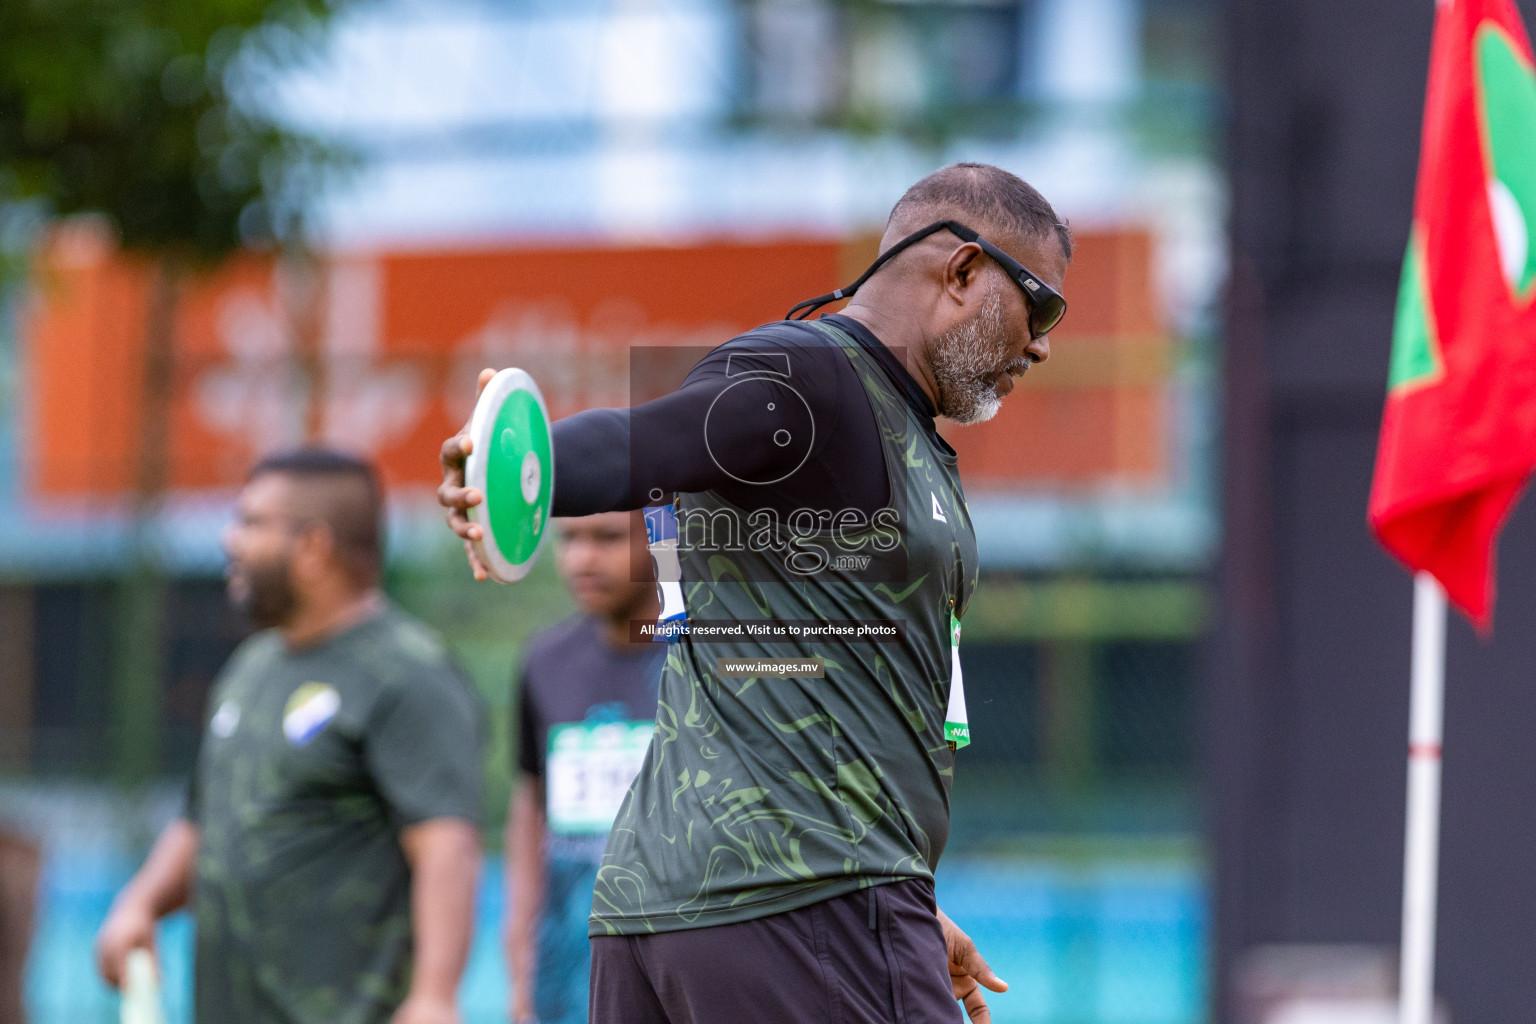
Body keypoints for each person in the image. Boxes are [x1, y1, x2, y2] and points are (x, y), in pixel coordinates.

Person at [439, 162, 1072, 1024]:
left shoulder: (897, 425)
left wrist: (903, 901)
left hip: (713, 910)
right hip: (799, 902)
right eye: (1039, 307)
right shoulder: (806, 377)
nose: (1039, 344)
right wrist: (522, 466)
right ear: (962, 271)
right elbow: (648, 444)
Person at [96, 450, 485, 1024]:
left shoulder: (408, 673)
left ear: (312, 548)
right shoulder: (249, 666)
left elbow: (446, 847)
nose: (230, 540)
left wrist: (434, 996)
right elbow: (202, 819)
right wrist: (142, 902)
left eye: (251, 523)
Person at [505, 511, 663, 1024]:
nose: (582, 559)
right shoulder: (545, 660)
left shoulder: (715, 660)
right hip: (569, 970)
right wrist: (520, 946)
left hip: (680, 968)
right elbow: (532, 802)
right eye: (569, 538)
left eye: (609, 537)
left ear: (665, 537)